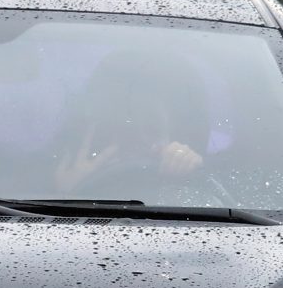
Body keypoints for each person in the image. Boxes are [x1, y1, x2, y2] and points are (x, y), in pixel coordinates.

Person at [53, 49, 209, 198]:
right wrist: (68, 193)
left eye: (152, 129)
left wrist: (189, 171)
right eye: (128, 128)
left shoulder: (187, 182)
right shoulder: (49, 172)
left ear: (172, 136)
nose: (141, 140)